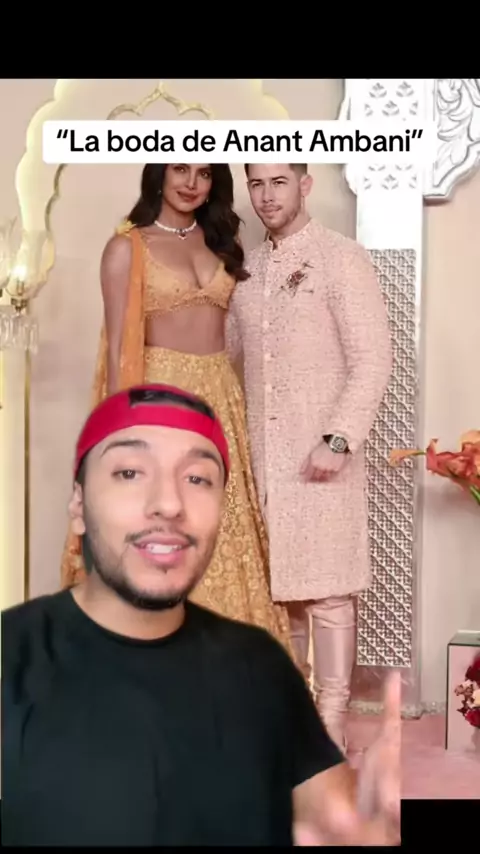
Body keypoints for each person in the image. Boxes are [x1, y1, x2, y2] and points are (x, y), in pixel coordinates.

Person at [2, 384, 400, 847]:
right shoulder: (12, 657)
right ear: (78, 504)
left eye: (197, 479)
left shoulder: (260, 665)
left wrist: (374, 828)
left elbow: (337, 825)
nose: (170, 504)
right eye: (129, 472)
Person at [60, 162, 292, 657]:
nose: (191, 183)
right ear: (158, 175)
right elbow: (118, 352)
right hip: (162, 399)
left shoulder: (223, 243)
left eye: (204, 173)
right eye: (179, 169)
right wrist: (125, 441)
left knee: (227, 533)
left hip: (223, 401)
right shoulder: (128, 247)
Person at [227, 163, 393, 752]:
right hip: (262, 459)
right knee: (283, 595)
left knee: (328, 592)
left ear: (304, 185)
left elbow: (373, 360)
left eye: (279, 182)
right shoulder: (245, 271)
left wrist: (339, 439)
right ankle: (295, 721)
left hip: (323, 455)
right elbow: (231, 363)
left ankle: (332, 727)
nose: (266, 196)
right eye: (256, 184)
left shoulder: (341, 258)